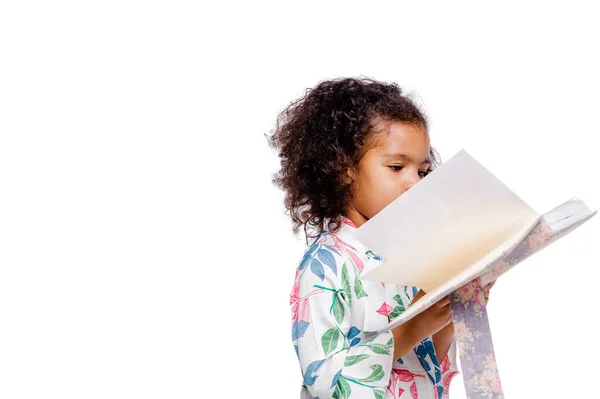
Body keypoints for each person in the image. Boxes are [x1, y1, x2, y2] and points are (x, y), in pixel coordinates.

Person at [267, 76, 495, 399]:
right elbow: (326, 384)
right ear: (345, 167)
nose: (414, 183)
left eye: (421, 171)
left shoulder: (413, 256)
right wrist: (410, 329)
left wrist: (448, 312)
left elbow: (429, 369)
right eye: (396, 167)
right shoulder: (324, 265)